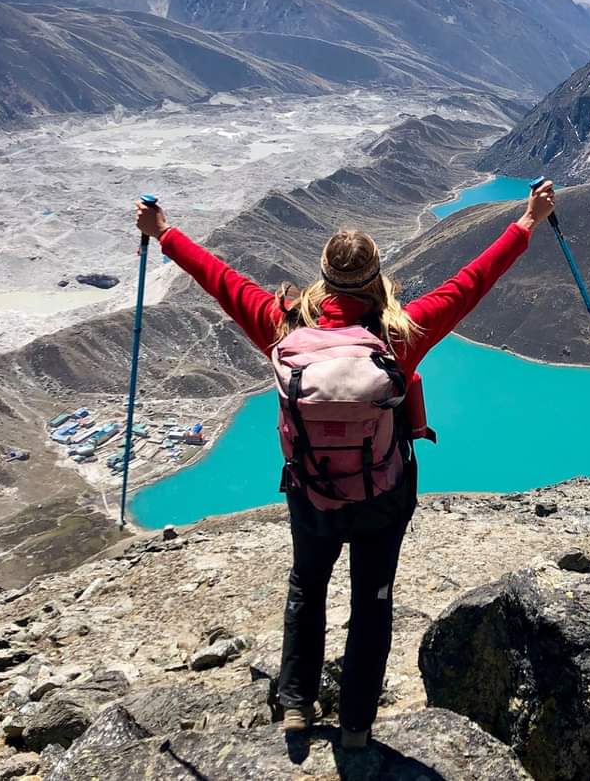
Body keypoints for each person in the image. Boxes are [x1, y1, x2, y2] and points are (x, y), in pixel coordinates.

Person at [134, 179, 555, 748]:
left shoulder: (283, 328)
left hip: (311, 495)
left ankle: (296, 705)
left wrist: (163, 233)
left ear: (324, 276)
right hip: (384, 496)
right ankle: (356, 725)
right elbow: (472, 281)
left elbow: (218, 278)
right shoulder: (399, 335)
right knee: (372, 601)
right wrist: (526, 223)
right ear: (377, 276)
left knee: (307, 586)